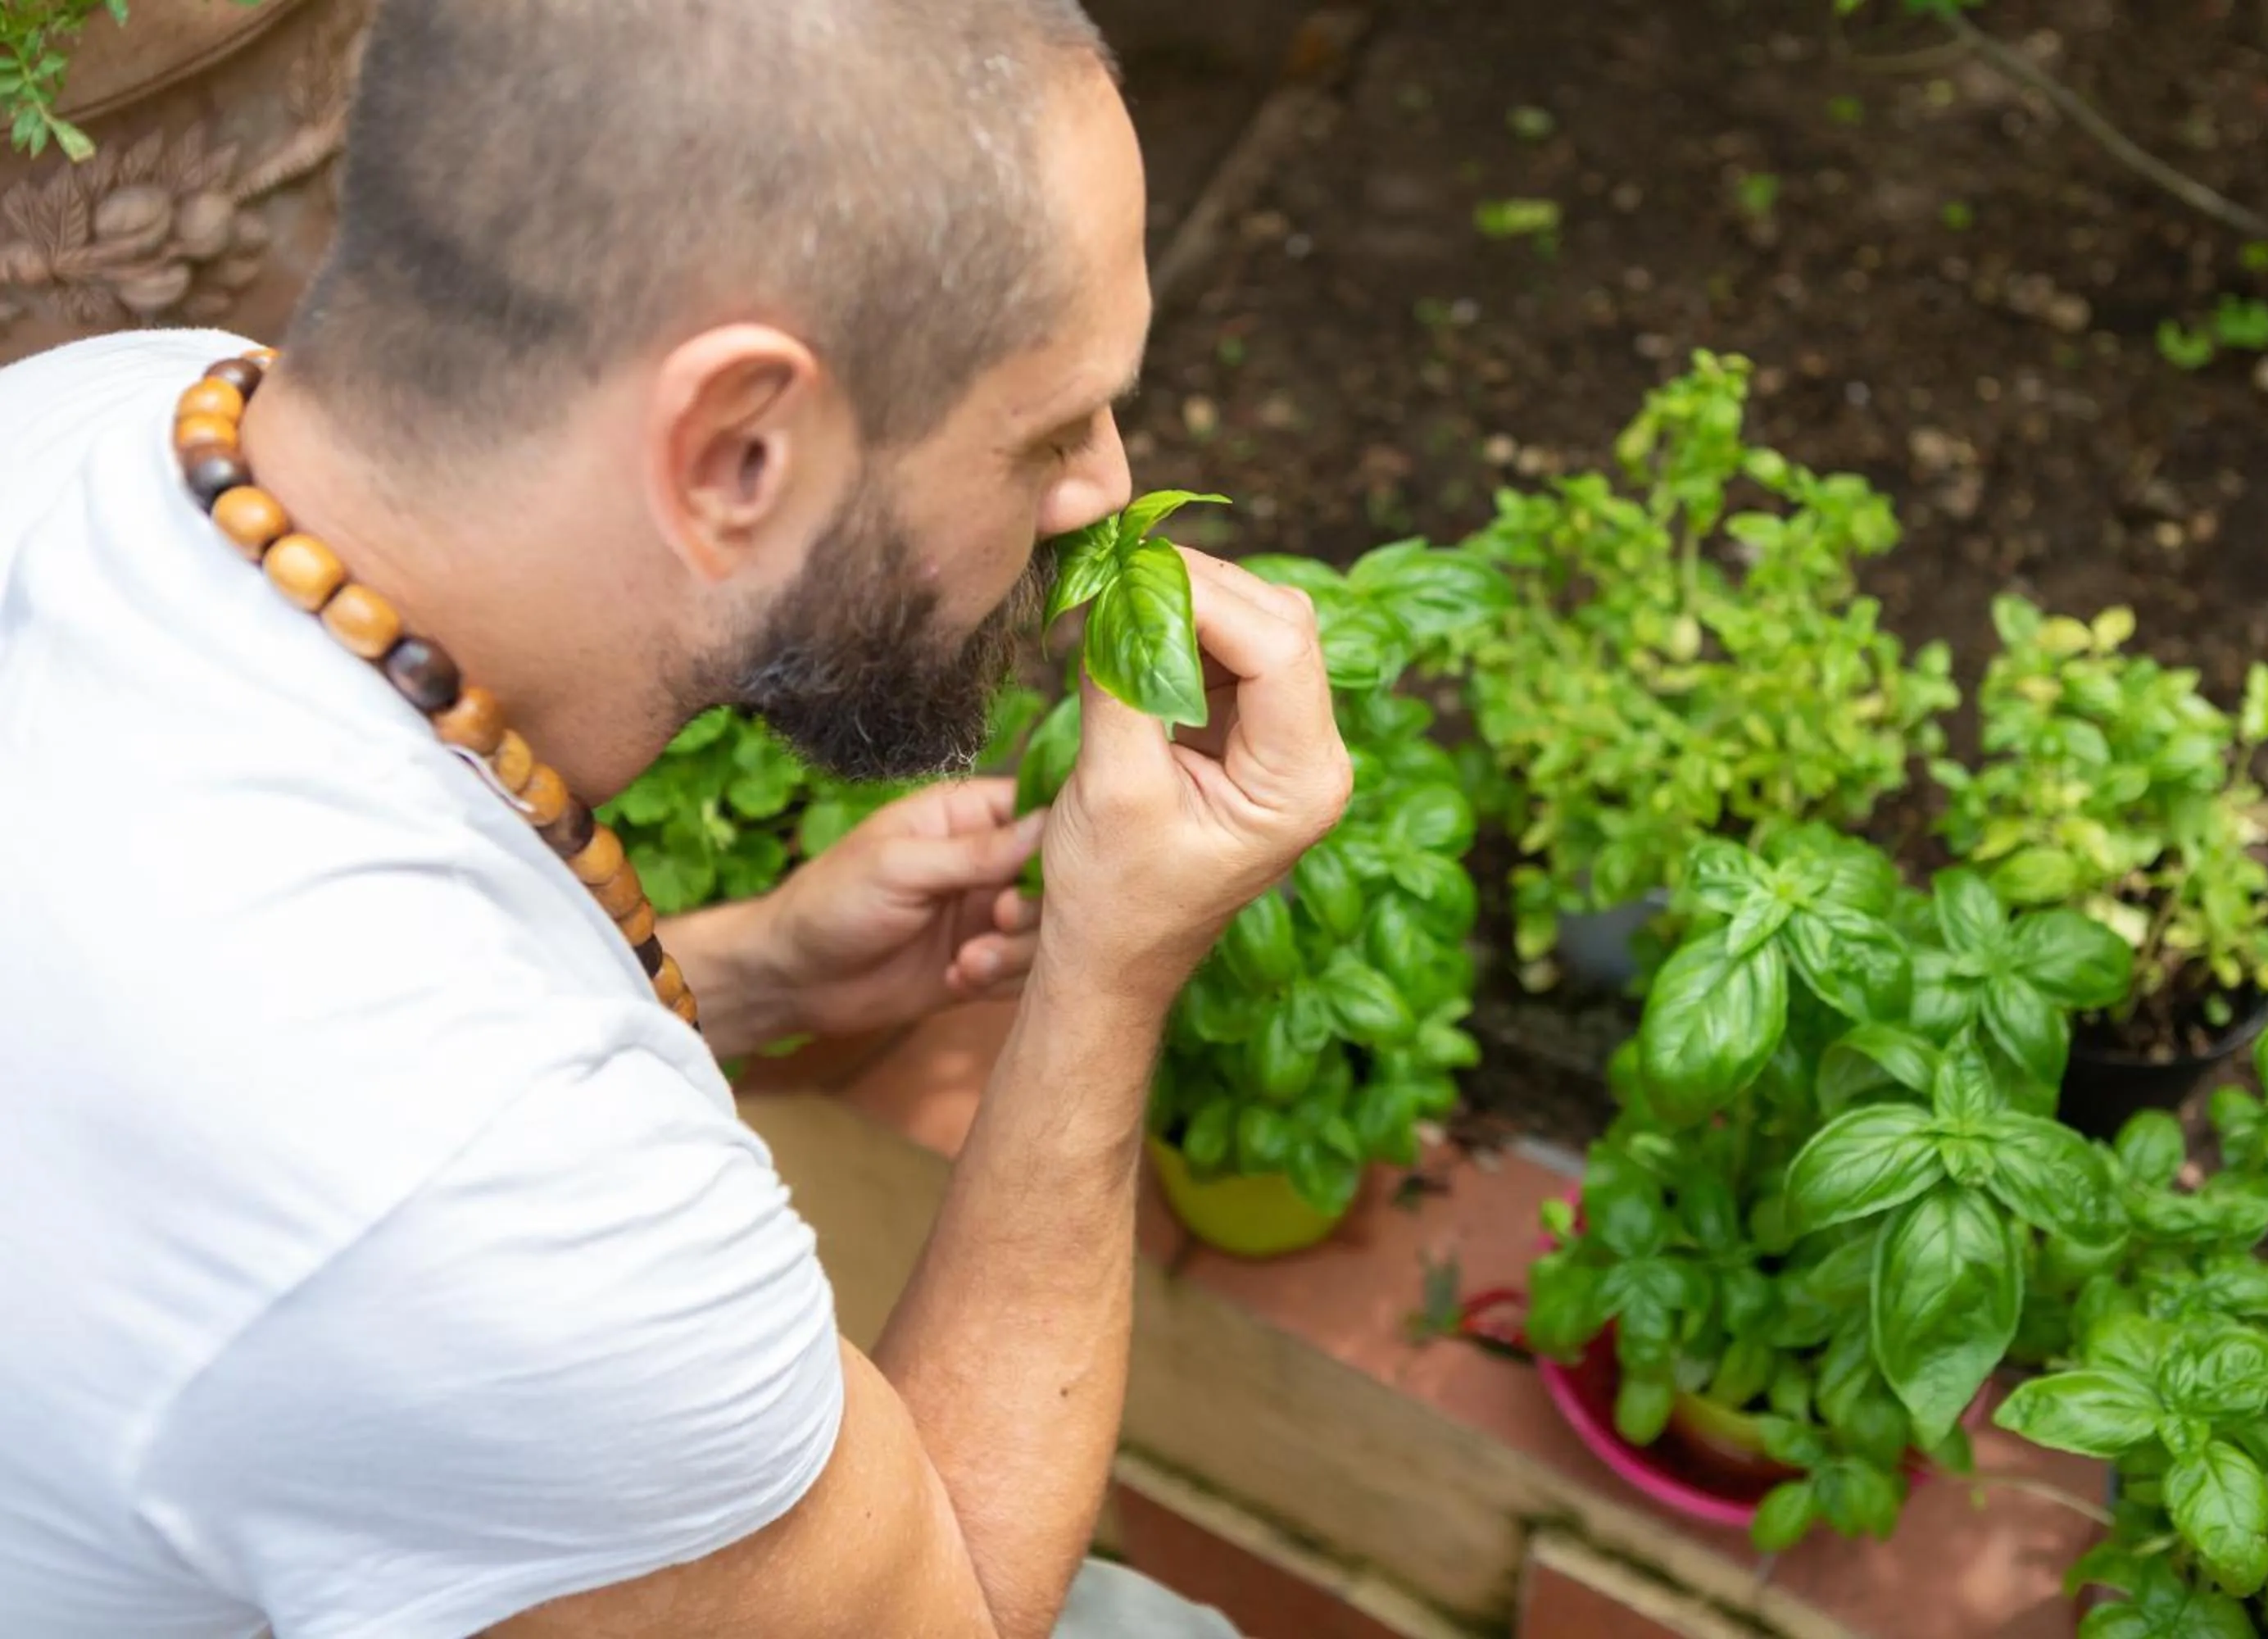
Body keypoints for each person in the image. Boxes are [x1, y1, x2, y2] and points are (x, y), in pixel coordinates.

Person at [0, 0, 1352, 1635]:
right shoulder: (482, 1209)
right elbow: (959, 1613)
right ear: (736, 448)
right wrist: (1108, 968)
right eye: (1050, 429)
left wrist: (749, 975)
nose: (1107, 494)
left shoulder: (111, 411)